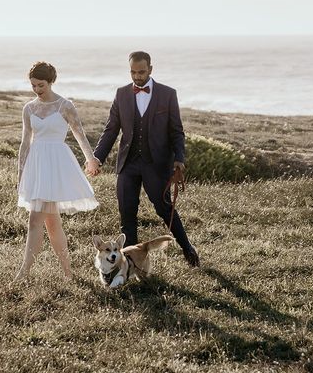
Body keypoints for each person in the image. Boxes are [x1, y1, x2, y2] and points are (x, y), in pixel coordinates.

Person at [88, 51, 199, 267]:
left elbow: (177, 131)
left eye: (141, 72)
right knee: (127, 213)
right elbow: (111, 129)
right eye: (133, 72)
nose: (137, 76)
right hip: (128, 163)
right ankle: (131, 266)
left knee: (164, 208)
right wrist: (97, 158)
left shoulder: (167, 94)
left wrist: (179, 158)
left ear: (150, 69)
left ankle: (188, 248)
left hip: (156, 164)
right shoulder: (121, 94)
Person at [15, 61, 98, 281]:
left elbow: (80, 134)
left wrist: (91, 159)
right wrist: (20, 173)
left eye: (40, 85)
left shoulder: (65, 105)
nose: (37, 89)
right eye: (33, 85)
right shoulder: (29, 108)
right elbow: (25, 143)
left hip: (56, 163)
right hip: (37, 165)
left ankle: (24, 272)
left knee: (36, 220)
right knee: (52, 222)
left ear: (51, 82)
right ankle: (68, 273)